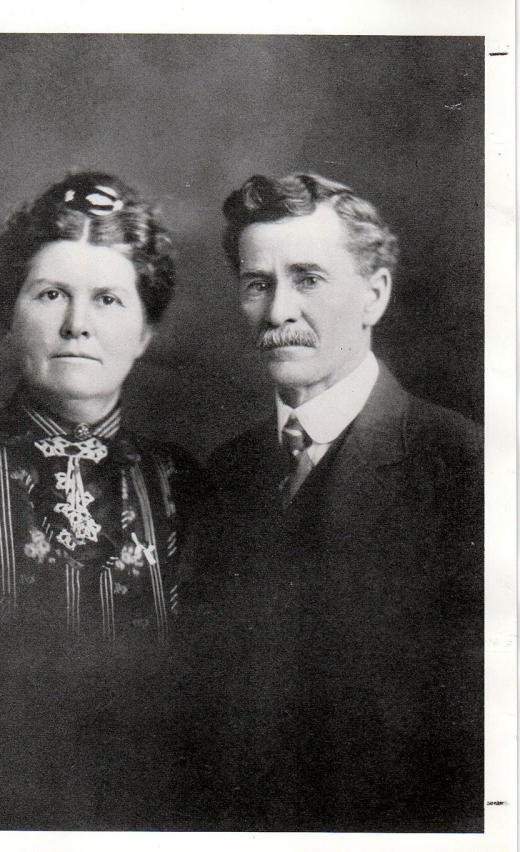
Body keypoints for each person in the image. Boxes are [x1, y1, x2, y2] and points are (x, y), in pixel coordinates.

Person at [180, 172, 483, 832]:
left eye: (309, 279)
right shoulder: (226, 474)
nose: (278, 311)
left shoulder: (467, 470)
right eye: (258, 284)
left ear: (374, 294)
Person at [0, 172, 201, 830]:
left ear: (147, 333)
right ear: (9, 317)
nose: (77, 325)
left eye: (108, 300)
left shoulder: (183, 483)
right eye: (50, 295)